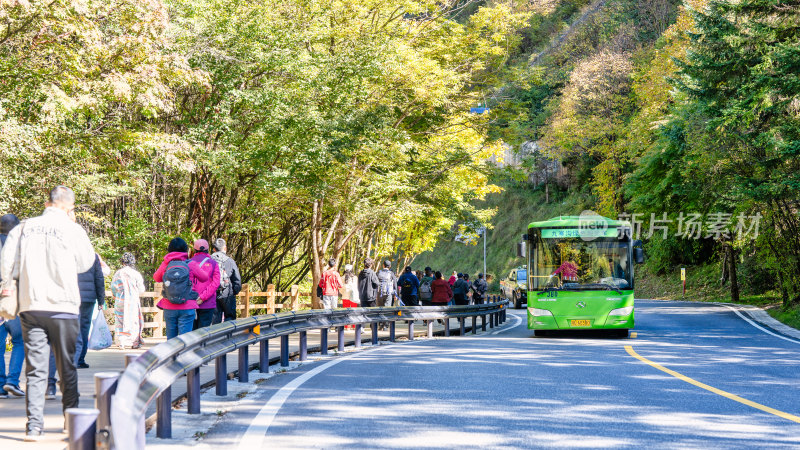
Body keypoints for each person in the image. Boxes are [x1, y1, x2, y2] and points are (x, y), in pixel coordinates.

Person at [1, 186, 97, 441]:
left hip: (31, 304)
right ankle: (71, 419)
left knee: (35, 370)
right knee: (67, 366)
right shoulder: (73, 229)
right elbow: (86, 262)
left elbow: (6, 262)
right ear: (69, 207)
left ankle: (34, 426)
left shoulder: (23, 228)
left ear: (47, 202)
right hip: (63, 306)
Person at [153, 237, 209, 340]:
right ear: (185, 249)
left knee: (171, 341)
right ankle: (184, 356)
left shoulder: (166, 264)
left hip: (169, 305)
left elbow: (156, 278)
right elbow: (205, 277)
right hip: (187, 305)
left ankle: (173, 356)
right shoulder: (190, 264)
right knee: (185, 340)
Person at [0, 214, 24, 399]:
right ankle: (12, 381)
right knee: (19, 341)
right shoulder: (19, 246)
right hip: (13, 300)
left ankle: (1, 385)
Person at [73, 254, 105, 369]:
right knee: (84, 328)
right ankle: (80, 359)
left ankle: (73, 358)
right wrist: (101, 299)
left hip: (72, 297)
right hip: (88, 298)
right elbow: (99, 277)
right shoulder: (92, 256)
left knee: (72, 326)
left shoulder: (68, 251)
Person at [112, 252, 145, 350]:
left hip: (120, 300)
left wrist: (116, 294)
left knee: (120, 321)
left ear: (122, 262)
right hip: (133, 301)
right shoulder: (136, 274)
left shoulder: (118, 273)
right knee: (134, 321)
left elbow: (113, 287)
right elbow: (141, 289)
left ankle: (121, 342)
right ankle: (134, 342)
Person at [190, 239, 220, 330]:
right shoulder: (213, 263)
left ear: (195, 249)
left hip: (192, 302)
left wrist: (195, 297)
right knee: (204, 332)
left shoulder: (188, 263)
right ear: (207, 249)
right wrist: (203, 297)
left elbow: (188, 282)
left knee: (192, 333)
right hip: (208, 303)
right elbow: (216, 283)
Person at [211, 238, 242, 324]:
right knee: (230, 317)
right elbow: (237, 281)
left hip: (212, 294)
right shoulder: (230, 261)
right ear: (225, 248)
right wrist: (233, 292)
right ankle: (229, 336)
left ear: (214, 249)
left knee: (215, 319)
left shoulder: (208, 260)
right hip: (227, 293)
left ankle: (216, 337)